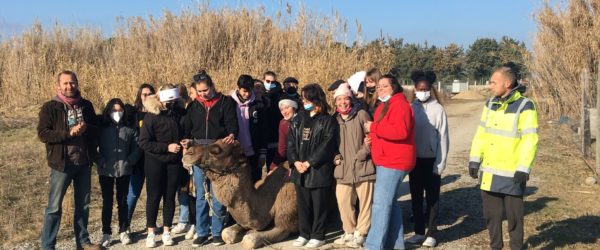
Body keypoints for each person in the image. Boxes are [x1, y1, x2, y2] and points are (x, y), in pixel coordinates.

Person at [468, 63, 538, 250]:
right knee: (492, 217)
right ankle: (495, 247)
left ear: (507, 83)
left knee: (514, 219)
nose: (490, 85)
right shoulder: (490, 103)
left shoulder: (525, 105)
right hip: (490, 172)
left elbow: (530, 139)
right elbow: (481, 133)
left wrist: (524, 168)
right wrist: (475, 158)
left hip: (513, 174)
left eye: (493, 82)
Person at [38, 70, 100, 250]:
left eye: (72, 83)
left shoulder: (86, 106)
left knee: (84, 205)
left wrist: (86, 128)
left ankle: (83, 242)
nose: (69, 86)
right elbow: (43, 133)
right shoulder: (50, 107)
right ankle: (48, 245)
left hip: (83, 163)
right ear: (58, 86)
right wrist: (68, 133)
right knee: (54, 207)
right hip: (62, 164)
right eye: (65, 83)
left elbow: (97, 131)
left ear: (77, 83)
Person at [181, 69, 238, 247]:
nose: (203, 94)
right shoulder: (192, 106)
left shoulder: (225, 102)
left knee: (217, 194)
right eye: (199, 91)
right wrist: (187, 140)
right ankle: (201, 232)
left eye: (205, 90)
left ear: (212, 86)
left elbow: (232, 125)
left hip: (217, 152)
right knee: (201, 195)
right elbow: (188, 129)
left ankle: (217, 232)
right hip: (199, 153)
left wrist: (232, 134)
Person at [363, 74, 416, 250]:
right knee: (390, 204)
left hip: (394, 161)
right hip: (386, 159)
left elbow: (400, 132)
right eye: (378, 87)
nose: (380, 89)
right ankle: (395, 244)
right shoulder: (385, 105)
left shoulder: (400, 105)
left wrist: (373, 128)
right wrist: (371, 137)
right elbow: (383, 130)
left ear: (394, 87)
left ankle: (373, 246)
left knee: (380, 204)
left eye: (384, 86)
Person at [287, 83, 338, 249]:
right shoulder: (299, 119)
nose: (303, 101)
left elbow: (327, 145)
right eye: (302, 98)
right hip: (300, 170)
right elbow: (291, 143)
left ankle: (318, 235)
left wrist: (309, 162)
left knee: (319, 205)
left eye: (305, 97)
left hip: (318, 170)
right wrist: (295, 162)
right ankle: (304, 233)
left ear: (315, 98)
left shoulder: (328, 120)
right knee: (303, 205)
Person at [138, 84, 186, 248]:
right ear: (160, 96)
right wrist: (167, 147)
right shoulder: (151, 115)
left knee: (170, 196)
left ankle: (167, 231)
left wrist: (185, 141)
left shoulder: (178, 113)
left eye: (173, 98)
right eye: (168, 98)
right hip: (154, 162)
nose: (170, 102)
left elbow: (185, 130)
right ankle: (151, 232)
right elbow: (144, 142)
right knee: (153, 197)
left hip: (173, 162)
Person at [405, 70, 449, 247]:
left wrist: (440, 163)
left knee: (432, 198)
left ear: (430, 89)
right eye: (419, 88)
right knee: (416, 197)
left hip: (431, 160)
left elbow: (443, 138)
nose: (422, 91)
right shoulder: (411, 108)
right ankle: (418, 231)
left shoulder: (438, 109)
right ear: (414, 89)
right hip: (414, 161)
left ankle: (431, 233)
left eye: (426, 89)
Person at [331, 83, 375, 249]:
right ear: (335, 102)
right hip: (343, 168)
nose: (343, 102)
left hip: (363, 165)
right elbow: (330, 145)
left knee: (365, 203)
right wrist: (335, 157)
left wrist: (363, 153)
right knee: (343, 201)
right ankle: (349, 231)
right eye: (339, 99)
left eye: (346, 99)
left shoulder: (361, 114)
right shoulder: (333, 119)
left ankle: (361, 233)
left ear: (351, 99)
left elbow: (372, 136)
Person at [97, 98, 142, 247]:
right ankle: (106, 233)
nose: (117, 113)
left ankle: (123, 229)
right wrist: (100, 160)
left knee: (122, 201)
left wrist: (131, 160)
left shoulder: (129, 128)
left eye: (120, 110)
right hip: (106, 170)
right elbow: (93, 147)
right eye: (114, 110)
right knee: (107, 201)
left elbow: (138, 146)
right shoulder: (102, 128)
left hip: (124, 169)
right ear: (108, 111)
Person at [126, 83, 155, 234]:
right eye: (144, 94)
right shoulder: (133, 113)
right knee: (133, 193)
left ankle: (152, 225)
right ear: (139, 96)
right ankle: (125, 225)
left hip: (153, 159)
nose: (147, 97)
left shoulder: (157, 113)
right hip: (137, 160)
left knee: (153, 194)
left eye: (150, 94)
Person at [229, 74, 268, 182]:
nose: (247, 94)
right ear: (238, 88)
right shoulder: (229, 103)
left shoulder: (258, 105)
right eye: (244, 91)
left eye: (249, 91)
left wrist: (263, 153)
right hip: (236, 153)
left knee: (255, 182)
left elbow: (263, 130)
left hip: (253, 152)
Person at [172, 83, 197, 238]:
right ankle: (183, 219)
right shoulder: (174, 113)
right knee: (182, 188)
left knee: (193, 190)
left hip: (190, 152)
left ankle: (194, 222)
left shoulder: (190, 111)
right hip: (177, 155)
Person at [268, 98, 298, 172]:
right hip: (292, 159)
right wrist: (273, 167)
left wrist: (293, 166)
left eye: (287, 108)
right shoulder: (283, 123)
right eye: (281, 109)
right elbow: (282, 146)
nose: (284, 112)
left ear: (294, 108)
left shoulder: (303, 120)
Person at [262, 71, 283, 166]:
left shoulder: (279, 95)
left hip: (274, 136)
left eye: (272, 82)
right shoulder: (258, 93)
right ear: (263, 80)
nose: (270, 84)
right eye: (267, 81)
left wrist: (277, 90)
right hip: (261, 137)